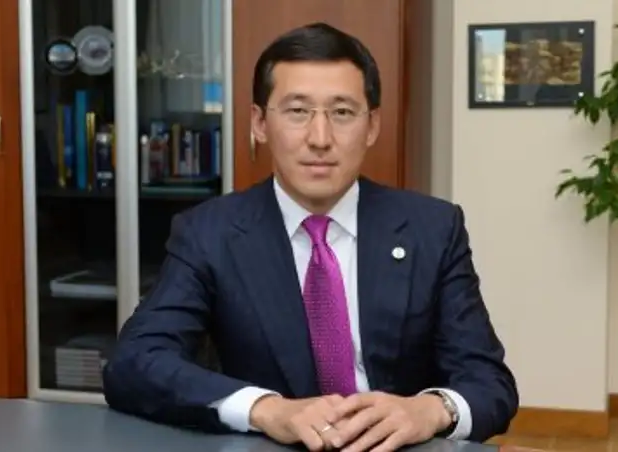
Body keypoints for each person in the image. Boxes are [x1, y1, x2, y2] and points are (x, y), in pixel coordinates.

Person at [102, 22, 518, 451]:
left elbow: (490, 383)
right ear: (260, 123)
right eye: (297, 111)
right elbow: (135, 362)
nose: (320, 139)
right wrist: (268, 409)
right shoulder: (209, 232)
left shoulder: (432, 228)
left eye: (342, 113)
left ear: (372, 126)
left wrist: (428, 411)